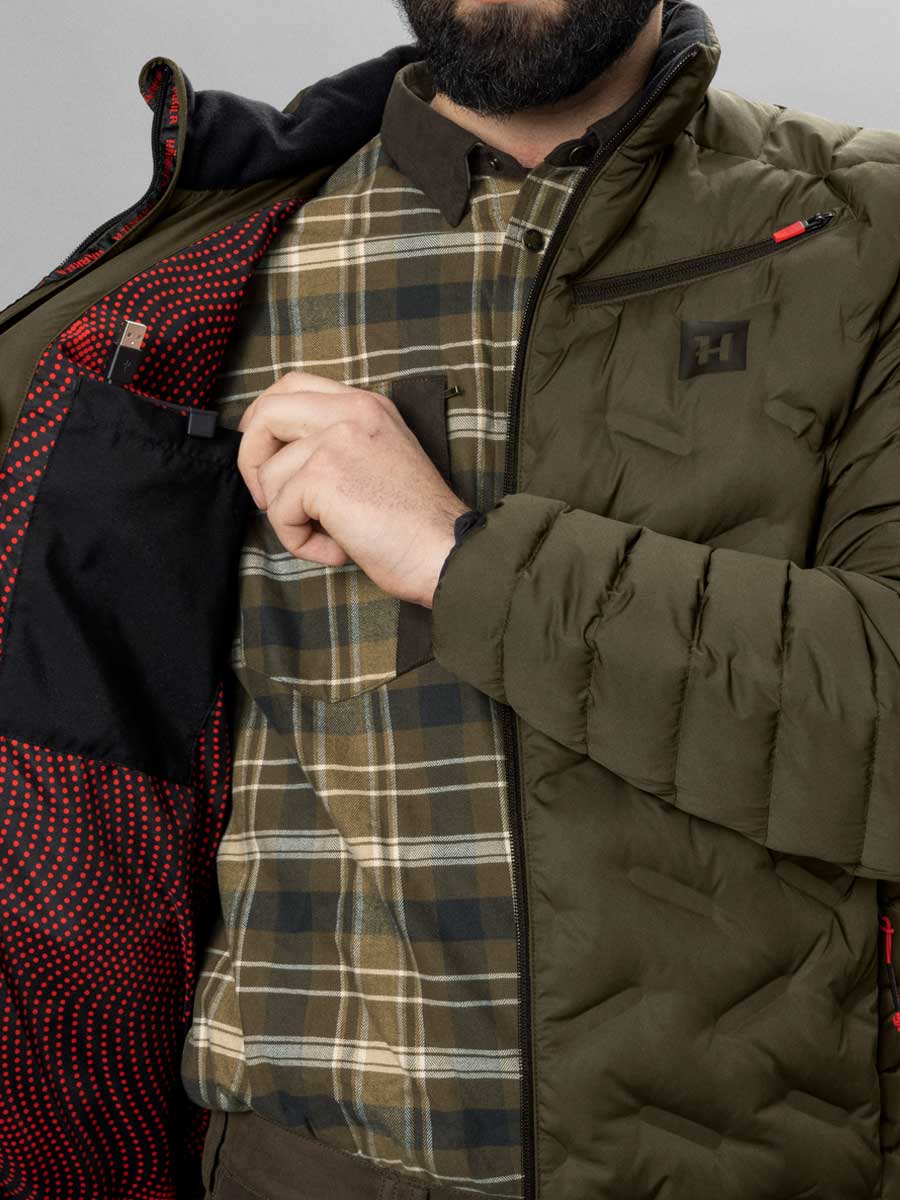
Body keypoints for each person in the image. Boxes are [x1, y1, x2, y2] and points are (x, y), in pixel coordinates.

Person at [1, 0, 898, 1198]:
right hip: (293, 1169)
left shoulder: (868, 227)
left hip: (761, 1163)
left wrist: (455, 556)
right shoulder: (202, 280)